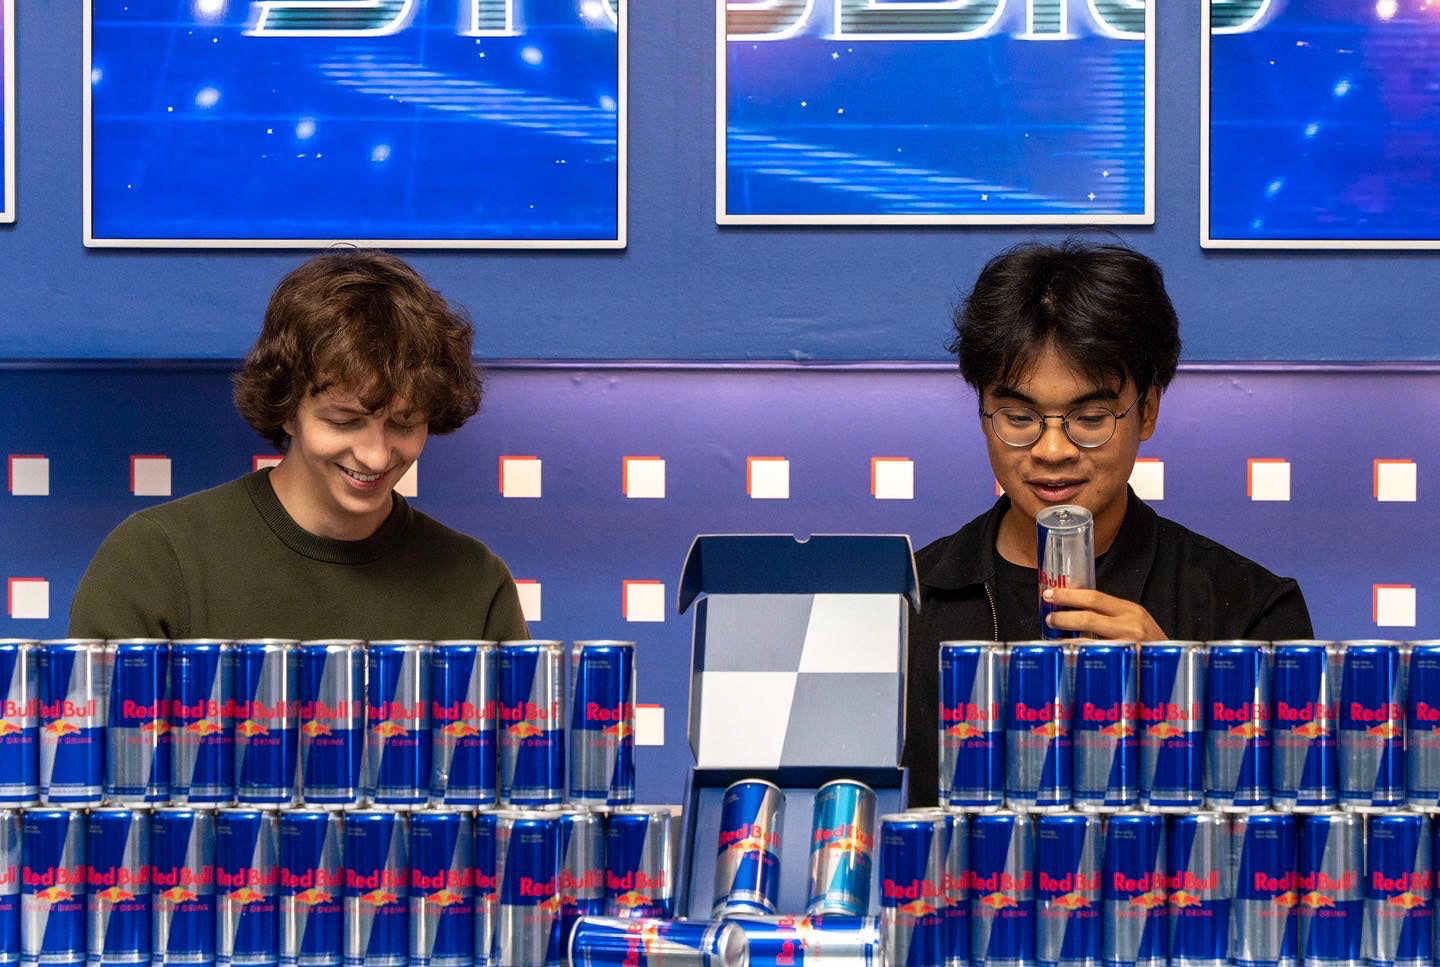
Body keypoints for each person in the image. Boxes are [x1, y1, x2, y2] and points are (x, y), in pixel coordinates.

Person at [904, 239, 1313, 805]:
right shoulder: (904, 603)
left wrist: (1179, 694)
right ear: (982, 412)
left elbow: (1291, 829)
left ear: (1147, 411)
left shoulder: (1251, 610)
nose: (1052, 450)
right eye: (1019, 417)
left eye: (1091, 418)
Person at [69, 250, 528, 642]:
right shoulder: (156, 559)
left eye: (403, 423)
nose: (375, 455)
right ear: (288, 410)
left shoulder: (476, 583)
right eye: (344, 421)